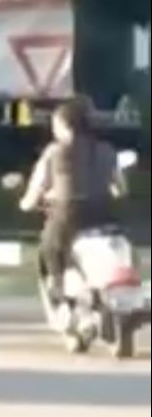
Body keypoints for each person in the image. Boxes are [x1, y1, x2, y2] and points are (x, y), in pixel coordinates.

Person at [19, 95, 126, 301]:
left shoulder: (54, 152)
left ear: (65, 125)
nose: (53, 130)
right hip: (103, 215)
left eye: (55, 125)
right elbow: (120, 189)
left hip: (67, 217)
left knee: (49, 247)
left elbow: (37, 188)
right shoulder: (107, 151)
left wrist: (26, 204)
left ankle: (57, 286)